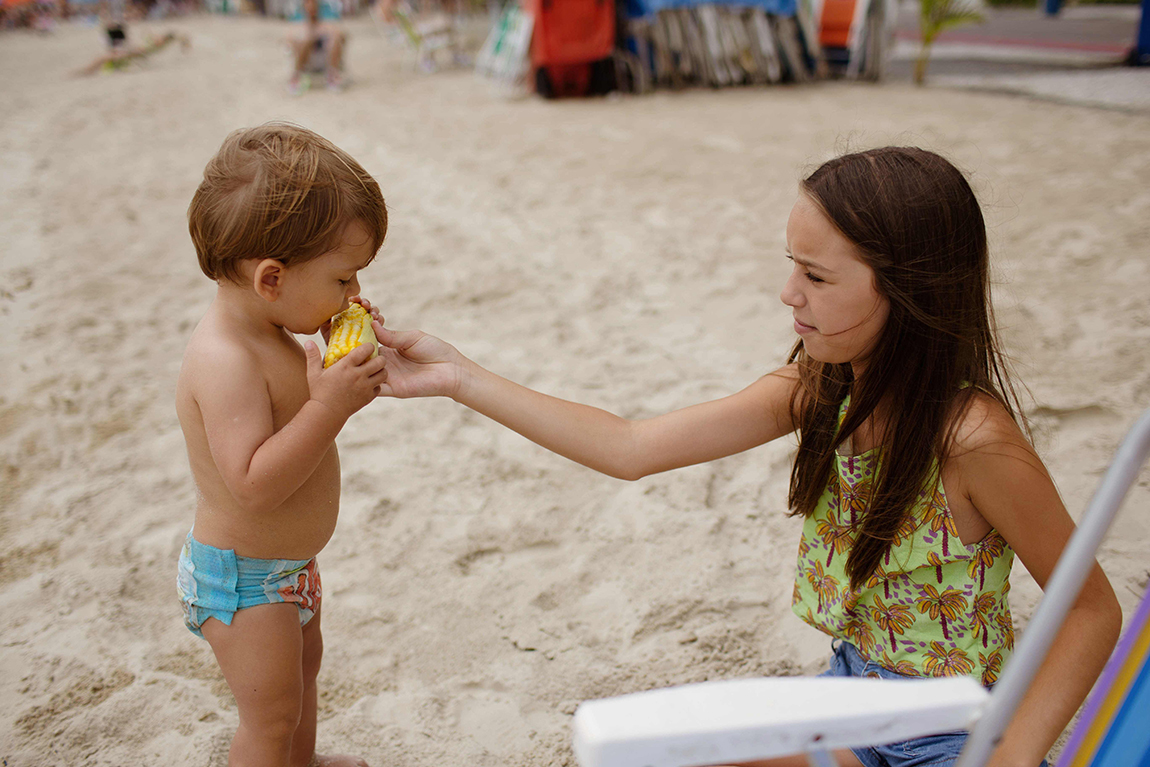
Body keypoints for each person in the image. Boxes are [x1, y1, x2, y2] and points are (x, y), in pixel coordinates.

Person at [368, 146, 1122, 767]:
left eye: (817, 277)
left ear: (910, 291)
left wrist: (1013, 754)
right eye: (792, 264)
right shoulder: (818, 388)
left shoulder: (975, 442)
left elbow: (1089, 607)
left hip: (950, 732)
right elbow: (630, 447)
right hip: (849, 700)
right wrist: (458, 377)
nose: (787, 293)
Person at [176, 122, 388, 767]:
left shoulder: (276, 333)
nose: (351, 294)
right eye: (342, 279)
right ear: (271, 278)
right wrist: (331, 405)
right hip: (243, 583)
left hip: (288, 571)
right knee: (269, 719)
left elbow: (296, 413)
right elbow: (254, 484)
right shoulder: (225, 360)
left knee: (300, 685)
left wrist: (335, 353)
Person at [287, 0, 347, 94]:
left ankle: (333, 75)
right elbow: (290, 43)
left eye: (313, 4)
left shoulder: (326, 24)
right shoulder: (299, 26)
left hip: (324, 59)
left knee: (335, 37)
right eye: (308, 3)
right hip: (306, 60)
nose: (311, 7)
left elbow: (343, 37)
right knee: (306, 39)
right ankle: (297, 76)